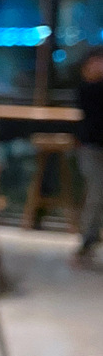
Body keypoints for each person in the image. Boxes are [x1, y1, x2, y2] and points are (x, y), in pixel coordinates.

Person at [75, 48, 103, 264]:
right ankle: (88, 241)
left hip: (92, 146)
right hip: (91, 147)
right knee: (96, 193)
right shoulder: (86, 89)